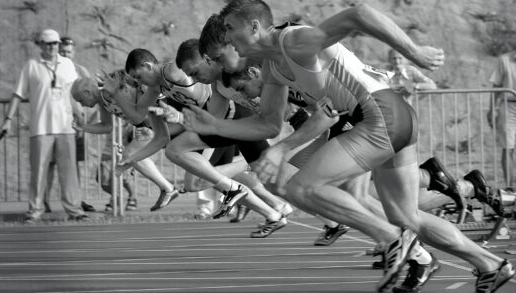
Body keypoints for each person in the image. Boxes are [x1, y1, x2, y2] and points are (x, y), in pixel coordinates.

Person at [182, 2, 514, 292]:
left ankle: (392, 239)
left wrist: (415, 51)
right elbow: (268, 123)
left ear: (254, 27)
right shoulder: (272, 67)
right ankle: (489, 265)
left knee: (299, 187)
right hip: (387, 116)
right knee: (406, 216)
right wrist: (216, 126)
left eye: (230, 30)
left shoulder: (293, 40)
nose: (227, 41)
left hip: (378, 113)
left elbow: (358, 13)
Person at [119, 48, 290, 238]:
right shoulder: (155, 89)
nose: (139, 83)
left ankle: (285, 207)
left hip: (229, 116)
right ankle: (272, 209)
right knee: (183, 159)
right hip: (216, 123)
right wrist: (131, 159)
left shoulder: (174, 71)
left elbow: (193, 57)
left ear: (147, 65)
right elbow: (148, 126)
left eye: (138, 76)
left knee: (274, 184)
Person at [0, 29, 87, 222]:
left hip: (65, 126)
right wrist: (8, 120)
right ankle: (35, 210)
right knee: (38, 173)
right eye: (48, 44)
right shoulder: (31, 66)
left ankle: (75, 210)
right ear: (40, 45)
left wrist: (80, 116)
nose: (52, 47)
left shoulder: (67, 64)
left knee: (69, 171)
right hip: (41, 128)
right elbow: (17, 94)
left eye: (55, 43)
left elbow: (74, 93)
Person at [70, 73, 179, 212]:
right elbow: (107, 126)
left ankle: (168, 188)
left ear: (87, 92)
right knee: (130, 156)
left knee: (130, 154)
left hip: (155, 118)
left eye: (80, 100)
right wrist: (84, 127)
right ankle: (168, 188)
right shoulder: (103, 102)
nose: (81, 104)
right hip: (144, 125)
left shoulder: (109, 91)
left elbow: (138, 90)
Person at [43, 36, 95, 213]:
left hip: (75, 124)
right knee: (49, 163)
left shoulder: (81, 70)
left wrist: (84, 120)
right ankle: (43, 201)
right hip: (53, 123)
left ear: (74, 53)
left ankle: (77, 201)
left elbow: (93, 93)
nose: (65, 54)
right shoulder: (51, 69)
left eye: (69, 52)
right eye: (62, 51)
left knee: (74, 164)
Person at [489, 50, 516, 192]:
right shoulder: (504, 60)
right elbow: (496, 86)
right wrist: (492, 108)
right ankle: (510, 187)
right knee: (508, 147)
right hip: (508, 104)